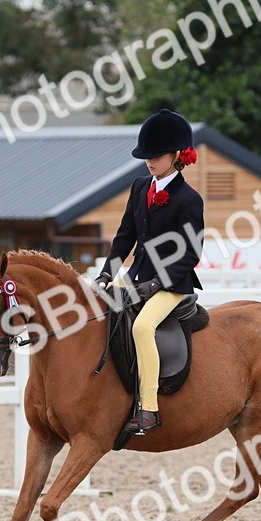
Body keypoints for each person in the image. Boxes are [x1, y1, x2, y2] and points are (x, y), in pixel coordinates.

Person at [95, 108, 204, 435]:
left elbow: (191, 253)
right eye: (147, 156)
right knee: (101, 315)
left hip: (172, 285)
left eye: (156, 156)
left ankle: (149, 409)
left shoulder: (189, 199)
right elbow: (124, 237)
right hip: (137, 278)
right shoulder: (140, 187)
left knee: (143, 328)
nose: (149, 161)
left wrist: (157, 283)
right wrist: (107, 274)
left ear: (177, 156)